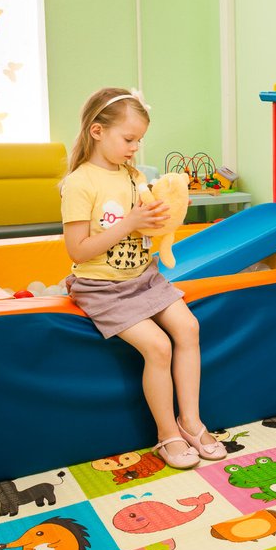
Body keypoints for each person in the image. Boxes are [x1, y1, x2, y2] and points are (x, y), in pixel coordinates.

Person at [59, 87, 226, 469]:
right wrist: (130, 222)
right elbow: (78, 251)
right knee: (158, 346)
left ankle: (191, 422)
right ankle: (167, 434)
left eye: (139, 141)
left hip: (143, 277)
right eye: (129, 139)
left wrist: (163, 216)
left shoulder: (133, 176)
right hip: (102, 287)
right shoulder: (80, 183)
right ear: (97, 131)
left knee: (189, 327)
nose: (135, 148)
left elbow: (147, 227)